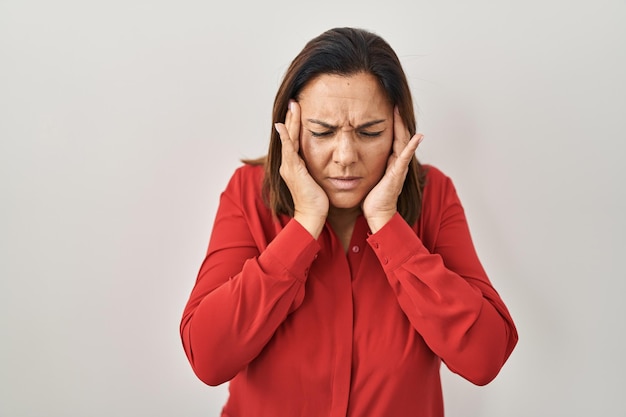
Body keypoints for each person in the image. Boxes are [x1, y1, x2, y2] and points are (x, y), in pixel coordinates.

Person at [180, 27, 518, 417]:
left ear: (398, 129)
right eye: (322, 132)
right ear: (291, 129)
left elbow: (485, 357)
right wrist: (304, 224)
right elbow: (207, 358)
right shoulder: (248, 193)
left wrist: (388, 225)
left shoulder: (435, 197)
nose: (345, 156)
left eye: (369, 132)